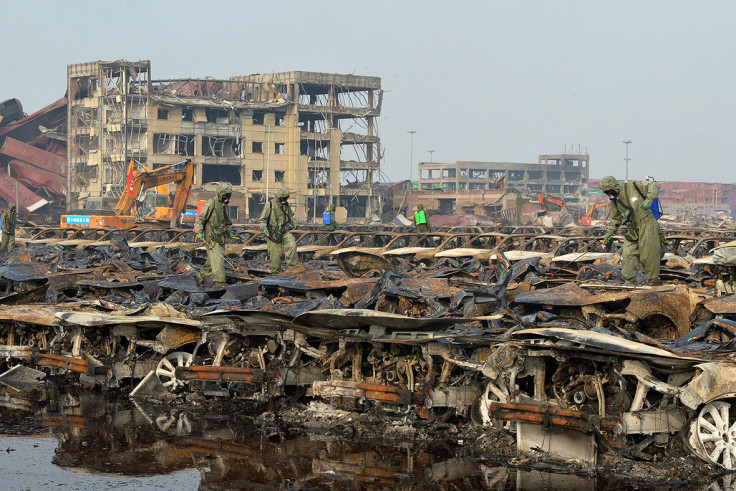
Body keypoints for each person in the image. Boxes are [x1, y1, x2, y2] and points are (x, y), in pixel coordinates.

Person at [600, 175, 662, 285]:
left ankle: (653, 282)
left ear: (614, 186)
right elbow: (615, 218)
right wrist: (609, 232)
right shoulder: (615, 201)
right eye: (606, 192)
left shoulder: (633, 186)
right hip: (631, 228)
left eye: (609, 190)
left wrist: (649, 199)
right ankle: (629, 281)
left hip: (646, 223)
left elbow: (654, 185)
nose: (609, 194)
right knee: (628, 255)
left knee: (649, 255)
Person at [194, 183, 234, 287]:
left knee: (212, 262)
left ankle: (200, 276)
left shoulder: (225, 206)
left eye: (228, 195)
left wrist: (229, 233)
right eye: (225, 195)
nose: (227, 197)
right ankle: (219, 284)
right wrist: (199, 232)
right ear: (220, 193)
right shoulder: (211, 203)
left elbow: (226, 222)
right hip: (211, 238)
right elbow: (200, 218)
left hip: (221, 238)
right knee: (218, 262)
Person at [259, 188, 298, 275]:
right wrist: (264, 229)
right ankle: (275, 275)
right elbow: (262, 220)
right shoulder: (270, 205)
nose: (284, 200)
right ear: (278, 197)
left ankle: (293, 271)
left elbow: (290, 216)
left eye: (285, 198)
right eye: (282, 198)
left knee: (292, 246)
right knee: (276, 256)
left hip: (285, 231)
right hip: (273, 234)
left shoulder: (286, 205)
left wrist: (294, 222)